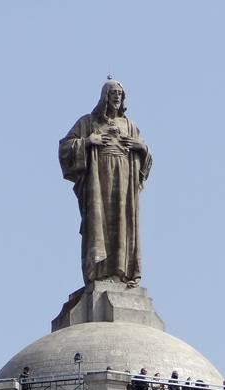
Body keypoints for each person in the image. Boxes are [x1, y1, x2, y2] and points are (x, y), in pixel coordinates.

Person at [59, 79, 152, 287]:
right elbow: (65, 148)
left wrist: (141, 147)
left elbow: (147, 161)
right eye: (113, 93)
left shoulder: (130, 125)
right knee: (98, 224)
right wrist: (88, 142)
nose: (117, 96)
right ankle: (99, 272)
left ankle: (123, 273)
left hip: (125, 180)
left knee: (123, 223)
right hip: (98, 180)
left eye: (120, 93)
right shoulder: (88, 122)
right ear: (104, 97)